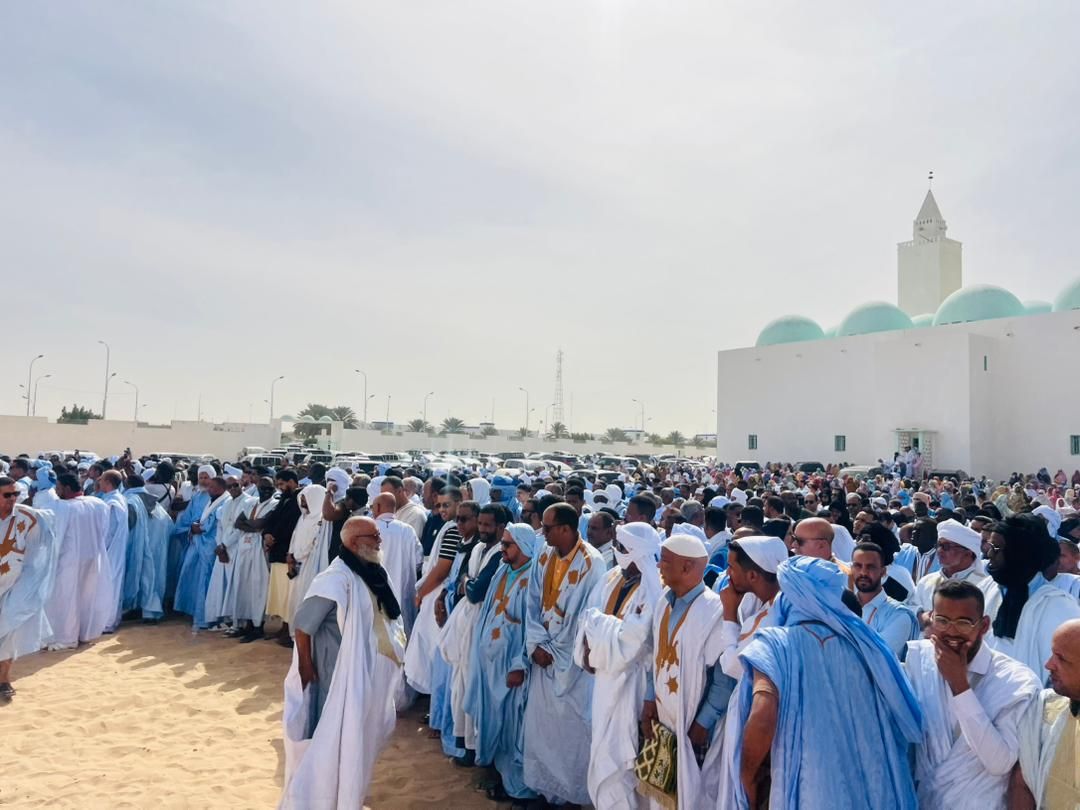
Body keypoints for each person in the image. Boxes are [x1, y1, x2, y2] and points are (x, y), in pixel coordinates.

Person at [732, 556, 922, 809]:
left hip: (806, 790)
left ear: (794, 595)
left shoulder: (775, 644)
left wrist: (747, 776)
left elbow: (763, 715)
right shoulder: (867, 647)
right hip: (867, 790)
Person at [280, 516, 405, 809]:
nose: (380, 541)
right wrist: (305, 665)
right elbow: (303, 626)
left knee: (356, 742)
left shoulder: (372, 572)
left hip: (365, 677)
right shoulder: (335, 579)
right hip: (336, 676)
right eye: (374, 537)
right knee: (331, 739)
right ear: (353, 543)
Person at [906, 580, 1040, 808]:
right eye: (942, 621)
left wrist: (960, 686)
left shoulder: (1015, 681)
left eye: (963, 623)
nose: (951, 632)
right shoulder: (919, 662)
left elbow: (999, 762)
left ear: (984, 625)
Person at [522, 502, 606, 805]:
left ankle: (570, 797)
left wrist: (554, 651)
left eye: (547, 528)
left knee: (569, 734)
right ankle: (545, 792)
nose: (542, 532)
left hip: (570, 664)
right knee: (541, 729)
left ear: (566, 529)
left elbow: (586, 618)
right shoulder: (544, 554)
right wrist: (536, 644)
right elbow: (532, 600)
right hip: (542, 652)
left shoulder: (592, 564)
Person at [639, 532, 728, 809]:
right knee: (661, 797)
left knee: (692, 798)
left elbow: (723, 677)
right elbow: (657, 655)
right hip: (663, 716)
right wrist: (650, 699)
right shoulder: (664, 601)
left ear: (687, 567)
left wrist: (703, 722)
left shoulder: (714, 609)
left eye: (665, 560)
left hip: (694, 725)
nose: (658, 565)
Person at [575, 522, 661, 809]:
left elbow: (634, 641)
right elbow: (587, 617)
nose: (616, 551)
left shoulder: (655, 589)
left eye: (622, 547)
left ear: (639, 551)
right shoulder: (612, 577)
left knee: (626, 759)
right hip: (604, 681)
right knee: (602, 747)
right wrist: (592, 641)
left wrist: (598, 628)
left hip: (632, 686)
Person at [464, 523, 539, 805]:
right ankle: (498, 775)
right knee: (490, 720)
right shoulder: (502, 570)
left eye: (508, 545)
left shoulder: (533, 580)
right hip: (488, 663)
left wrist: (520, 664)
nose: (503, 549)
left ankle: (518, 789)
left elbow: (533, 628)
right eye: (503, 543)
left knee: (512, 726)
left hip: (511, 669)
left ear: (524, 546)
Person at [714, 536, 788, 810]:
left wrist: (729, 613)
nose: (727, 574)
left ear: (753, 575)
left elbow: (733, 665)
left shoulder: (774, 617)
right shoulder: (768, 606)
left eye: (732, 567)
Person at [440, 502, 508, 764]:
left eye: (488, 525)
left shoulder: (501, 553)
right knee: (461, 681)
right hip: (467, 621)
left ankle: (476, 747)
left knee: (475, 684)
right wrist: (468, 583)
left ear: (501, 527)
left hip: (485, 623)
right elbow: (463, 580)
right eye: (480, 524)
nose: (482, 529)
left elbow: (476, 590)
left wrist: (468, 582)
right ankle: (465, 743)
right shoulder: (478, 548)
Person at [986, 514, 1080, 683]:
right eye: (990, 546)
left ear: (1018, 554)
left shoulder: (1059, 607)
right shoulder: (986, 590)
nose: (989, 554)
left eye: (996, 548)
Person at [0, 476, 57, 700]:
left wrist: (31, 577)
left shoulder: (28, 516)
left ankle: (3, 680)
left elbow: (43, 543)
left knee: (8, 631)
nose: (13, 499)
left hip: (14, 586)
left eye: (15, 494)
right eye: (7, 495)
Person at [404, 485, 463, 695]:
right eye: (439, 506)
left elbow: (443, 568)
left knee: (435, 648)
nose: (442, 510)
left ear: (459, 503)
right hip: (434, 591)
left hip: (439, 593)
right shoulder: (448, 526)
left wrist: (421, 593)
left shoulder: (454, 529)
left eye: (447, 505)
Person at [1015, 619, 1080, 808]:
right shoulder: (1046, 708)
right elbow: (1022, 781)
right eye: (1052, 654)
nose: (1048, 664)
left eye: (1061, 659)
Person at [44, 473, 111, 650]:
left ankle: (67, 638)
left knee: (67, 598)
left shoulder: (62, 507)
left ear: (66, 488)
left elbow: (55, 535)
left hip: (69, 560)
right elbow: (105, 530)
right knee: (86, 596)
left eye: (58, 488)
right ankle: (85, 633)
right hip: (92, 556)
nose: (56, 491)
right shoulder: (98, 503)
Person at [912, 519, 1000, 622]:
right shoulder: (926, 581)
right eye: (938, 545)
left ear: (968, 553)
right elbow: (912, 607)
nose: (939, 550)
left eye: (946, 546)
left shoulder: (984, 586)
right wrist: (921, 616)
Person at [174, 476, 231, 632]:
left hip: (211, 546)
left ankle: (207, 617)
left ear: (220, 489)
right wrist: (195, 526)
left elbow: (209, 524)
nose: (209, 489)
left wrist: (197, 528)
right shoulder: (211, 500)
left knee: (207, 580)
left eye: (212, 486)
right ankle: (196, 612)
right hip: (201, 543)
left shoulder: (224, 502)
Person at [229, 477, 279, 642]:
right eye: (263, 488)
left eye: (269, 488)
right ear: (257, 488)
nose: (266, 491)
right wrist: (253, 526)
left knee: (258, 587)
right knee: (243, 586)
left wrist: (250, 525)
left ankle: (258, 626)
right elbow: (238, 523)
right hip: (245, 547)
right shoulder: (251, 502)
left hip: (260, 550)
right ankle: (247, 624)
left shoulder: (274, 504)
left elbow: (260, 524)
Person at [851, 542, 919, 659]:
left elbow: (876, 657)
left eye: (870, 567)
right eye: (858, 566)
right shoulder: (842, 606)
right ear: (851, 569)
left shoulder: (898, 615)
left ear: (883, 572)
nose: (863, 572)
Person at [369, 493, 422, 636]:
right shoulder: (408, 530)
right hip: (403, 591)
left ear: (378, 507)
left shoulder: (369, 528)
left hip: (375, 591)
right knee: (402, 636)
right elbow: (419, 561)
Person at [206, 476, 253, 632]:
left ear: (241, 484)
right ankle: (224, 618)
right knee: (222, 585)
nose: (233, 489)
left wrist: (225, 545)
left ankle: (237, 621)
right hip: (224, 551)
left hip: (238, 549)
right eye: (229, 486)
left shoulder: (249, 502)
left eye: (235, 485)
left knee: (237, 585)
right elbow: (220, 527)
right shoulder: (226, 503)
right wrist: (220, 546)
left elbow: (240, 528)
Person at [121, 474, 171, 623]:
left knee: (144, 577)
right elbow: (169, 524)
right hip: (157, 547)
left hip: (141, 546)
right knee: (152, 577)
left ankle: (150, 611)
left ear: (128, 485)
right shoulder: (153, 502)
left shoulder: (131, 500)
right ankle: (143, 609)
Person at [262, 470, 303, 645]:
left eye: (281, 484)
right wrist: (267, 534)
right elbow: (272, 519)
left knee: (288, 594)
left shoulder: (300, 500)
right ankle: (282, 626)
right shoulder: (284, 499)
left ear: (292, 481)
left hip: (287, 552)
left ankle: (288, 628)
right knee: (279, 593)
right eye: (277, 485)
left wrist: (275, 538)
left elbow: (293, 526)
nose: (279, 488)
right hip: (276, 552)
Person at [95, 469, 130, 632]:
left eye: (102, 480)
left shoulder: (112, 503)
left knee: (108, 585)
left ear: (108, 482)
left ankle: (106, 622)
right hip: (115, 550)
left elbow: (109, 531)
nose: (99, 482)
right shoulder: (117, 498)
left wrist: (100, 548)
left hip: (110, 551)